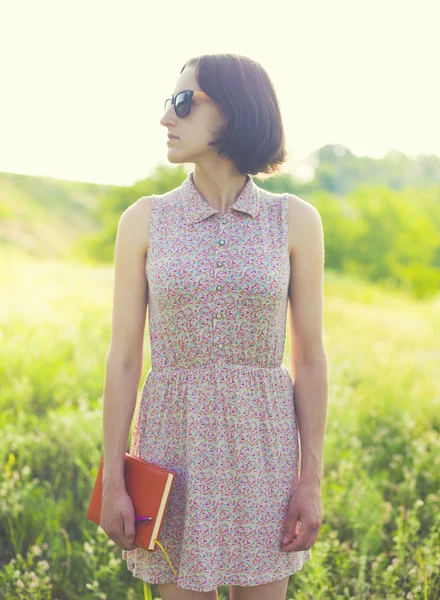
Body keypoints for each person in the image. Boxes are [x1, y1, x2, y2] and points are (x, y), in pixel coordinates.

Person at [100, 53, 328, 600]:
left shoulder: (294, 220)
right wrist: (112, 480)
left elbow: (310, 358)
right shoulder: (143, 220)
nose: (166, 119)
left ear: (233, 111)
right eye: (168, 103)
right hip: (171, 448)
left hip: (265, 450)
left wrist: (310, 479)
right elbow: (125, 358)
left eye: (183, 102)